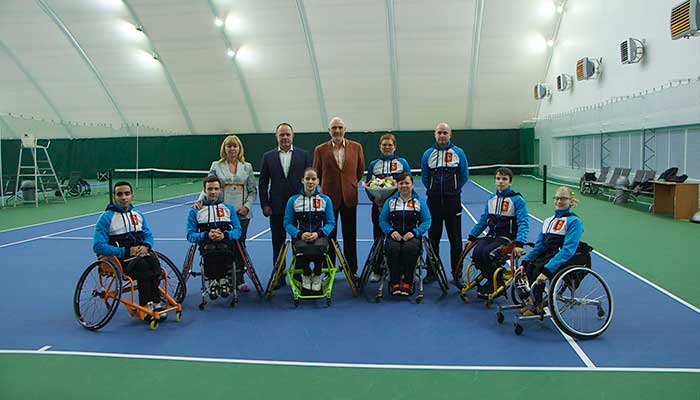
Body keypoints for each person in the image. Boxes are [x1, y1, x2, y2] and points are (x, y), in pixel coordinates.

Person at [197, 134, 257, 291]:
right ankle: (221, 278)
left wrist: (246, 207)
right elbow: (208, 186)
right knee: (222, 245)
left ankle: (239, 279)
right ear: (224, 148)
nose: (232, 149)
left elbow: (252, 190)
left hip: (242, 215)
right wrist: (200, 201)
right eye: (229, 146)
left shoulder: (247, 167)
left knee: (239, 246)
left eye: (235, 146)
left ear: (239, 148)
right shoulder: (216, 166)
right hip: (221, 215)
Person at [93, 181, 163, 315]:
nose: (124, 197)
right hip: (120, 260)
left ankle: (156, 301)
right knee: (142, 266)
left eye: (127, 193)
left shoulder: (138, 215)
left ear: (132, 195)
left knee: (154, 262)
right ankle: (145, 304)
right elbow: (98, 246)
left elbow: (148, 235)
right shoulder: (106, 218)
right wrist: (125, 251)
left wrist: (146, 246)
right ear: (114, 197)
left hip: (140, 254)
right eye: (120, 194)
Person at [517, 186, 585, 316]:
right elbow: (540, 246)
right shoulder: (548, 221)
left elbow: (568, 250)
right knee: (530, 267)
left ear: (571, 201)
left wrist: (546, 271)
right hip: (548, 254)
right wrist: (524, 262)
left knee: (538, 269)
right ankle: (535, 302)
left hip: (563, 256)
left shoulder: (574, 222)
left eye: (563, 198)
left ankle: (536, 304)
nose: (559, 201)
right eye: (557, 198)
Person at [258, 123, 311, 289]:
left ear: (292, 136)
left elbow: (309, 180)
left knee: (299, 243)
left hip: (299, 208)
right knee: (277, 244)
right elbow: (262, 183)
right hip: (276, 208)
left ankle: (298, 276)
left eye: (287, 134)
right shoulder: (268, 157)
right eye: (282, 135)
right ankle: (279, 276)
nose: (285, 137)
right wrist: (265, 204)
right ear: (277, 137)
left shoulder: (304, 155)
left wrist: (308, 203)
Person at [312, 117, 365, 278]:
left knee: (350, 236)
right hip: (328, 199)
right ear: (329, 131)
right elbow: (317, 172)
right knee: (329, 236)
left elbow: (359, 171)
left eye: (340, 127)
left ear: (345, 129)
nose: (337, 131)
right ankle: (329, 271)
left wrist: (349, 185)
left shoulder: (357, 147)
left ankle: (352, 270)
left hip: (349, 197)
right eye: (334, 128)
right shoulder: (320, 150)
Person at [464, 167, 529, 298]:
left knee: (489, 253)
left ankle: (496, 282)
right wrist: (472, 237)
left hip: (507, 238)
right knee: (477, 253)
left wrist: (519, 244)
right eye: (498, 178)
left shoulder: (517, 200)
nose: (501, 181)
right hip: (492, 236)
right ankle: (490, 278)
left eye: (504, 179)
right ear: (494, 181)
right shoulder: (491, 199)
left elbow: (523, 223)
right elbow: (483, 220)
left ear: (510, 182)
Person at [420, 122, 469, 288]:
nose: (442, 135)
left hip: (452, 202)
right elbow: (425, 177)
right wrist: (433, 190)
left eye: (445, 133)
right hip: (433, 202)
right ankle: (432, 272)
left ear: (450, 134)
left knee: (455, 240)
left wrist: (453, 190)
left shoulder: (459, 153)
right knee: (433, 239)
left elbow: (464, 175)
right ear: (435, 134)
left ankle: (457, 274)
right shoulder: (428, 154)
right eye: (439, 132)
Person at [364, 133, 411, 282]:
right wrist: (375, 199)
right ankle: (377, 269)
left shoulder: (402, 163)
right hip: (378, 207)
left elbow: (407, 183)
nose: (387, 147)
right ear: (380, 147)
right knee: (378, 237)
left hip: (399, 208)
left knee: (397, 238)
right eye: (384, 145)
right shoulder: (374, 164)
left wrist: (399, 199)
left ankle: (399, 270)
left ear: (394, 147)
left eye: (390, 145)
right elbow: (368, 184)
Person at [187, 176, 243, 299]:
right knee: (211, 248)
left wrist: (225, 235)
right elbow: (190, 235)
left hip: (225, 242)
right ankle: (213, 281)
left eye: (216, 189)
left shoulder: (229, 208)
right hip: (206, 243)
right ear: (204, 190)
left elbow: (238, 231)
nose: (213, 192)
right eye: (210, 189)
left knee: (223, 247)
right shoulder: (195, 211)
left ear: (220, 190)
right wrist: (206, 235)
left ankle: (223, 280)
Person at [378, 173, 431, 296]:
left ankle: (408, 282)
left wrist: (414, 232)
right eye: (401, 183)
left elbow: (426, 221)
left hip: (412, 235)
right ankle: (394, 282)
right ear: (397, 185)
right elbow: (383, 220)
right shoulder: (390, 202)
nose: (404, 186)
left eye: (407, 183)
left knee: (410, 248)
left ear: (412, 185)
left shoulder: (419, 202)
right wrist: (391, 231)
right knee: (392, 248)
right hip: (394, 234)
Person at [284, 168, 335, 292]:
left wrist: (319, 233)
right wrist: (299, 234)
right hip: (301, 237)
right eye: (307, 179)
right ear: (302, 180)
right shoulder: (293, 200)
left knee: (320, 247)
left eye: (313, 179)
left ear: (318, 181)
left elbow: (330, 223)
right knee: (302, 247)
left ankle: (317, 275)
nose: (310, 182)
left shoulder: (326, 200)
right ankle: (306, 275)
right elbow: (287, 223)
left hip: (319, 236)